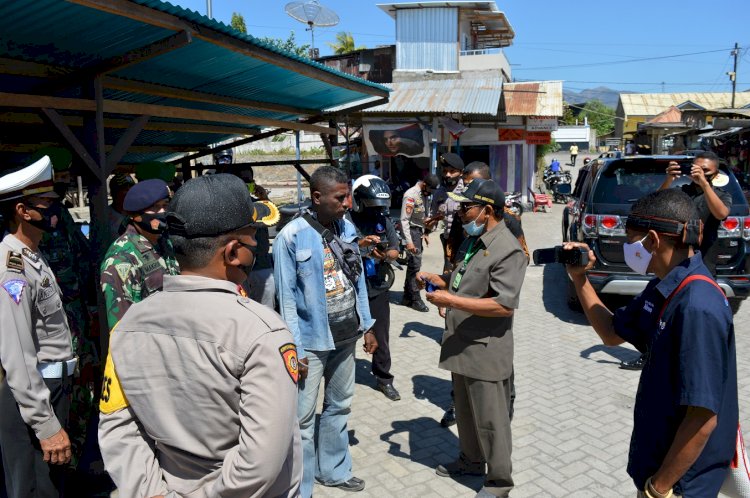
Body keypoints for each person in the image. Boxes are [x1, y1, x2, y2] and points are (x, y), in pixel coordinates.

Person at [98, 173, 301, 497]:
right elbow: (259, 464)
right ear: (234, 252)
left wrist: (152, 493)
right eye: (254, 236)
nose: (257, 246)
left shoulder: (126, 327)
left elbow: (118, 426)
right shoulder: (264, 333)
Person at [564, 188, 737, 497]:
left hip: (679, 485)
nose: (627, 247)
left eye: (630, 239)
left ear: (653, 240)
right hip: (659, 470)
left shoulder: (697, 305)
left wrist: (658, 489)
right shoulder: (665, 286)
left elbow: (702, 418)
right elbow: (612, 333)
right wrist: (580, 278)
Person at [418, 178, 527, 498]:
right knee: (465, 414)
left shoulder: (507, 249)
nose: (461, 212)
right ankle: (470, 460)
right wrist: (441, 279)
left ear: (488, 211)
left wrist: (450, 301)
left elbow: (503, 305)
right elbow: (464, 275)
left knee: (492, 420)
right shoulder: (472, 241)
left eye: (467, 207)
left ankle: (499, 484)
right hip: (461, 342)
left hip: (486, 349)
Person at [273, 166, 377, 497]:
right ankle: (301, 489)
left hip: (347, 336)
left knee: (339, 406)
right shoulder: (290, 237)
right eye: (340, 197)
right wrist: (296, 349)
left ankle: (332, 471)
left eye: (348, 195)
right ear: (317, 198)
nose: (348, 203)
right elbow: (286, 299)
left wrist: (368, 323)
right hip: (311, 343)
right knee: (302, 420)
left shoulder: (346, 227)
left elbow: (357, 278)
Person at [616, 151, 736, 372]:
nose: (698, 173)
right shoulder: (683, 192)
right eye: (695, 168)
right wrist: (669, 179)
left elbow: (721, 213)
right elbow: (654, 208)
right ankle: (650, 353)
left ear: (715, 174)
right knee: (659, 311)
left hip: (703, 261)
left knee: (691, 309)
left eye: (705, 170)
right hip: (673, 261)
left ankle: (690, 359)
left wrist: (705, 185)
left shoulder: (719, 194)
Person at [0, 156, 77, 497]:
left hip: (53, 386)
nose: (55, 209)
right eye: (46, 204)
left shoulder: (33, 254)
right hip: (34, 393)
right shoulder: (11, 269)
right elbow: (16, 352)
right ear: (23, 211)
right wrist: (44, 424)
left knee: (50, 485)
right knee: (33, 487)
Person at [34, 148, 98, 468]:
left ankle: (77, 456)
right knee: (61, 390)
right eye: (58, 177)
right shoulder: (26, 225)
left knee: (84, 386)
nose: (65, 181)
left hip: (78, 318)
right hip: (53, 326)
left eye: (65, 176)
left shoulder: (65, 213)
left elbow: (84, 259)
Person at [99, 179, 180, 338]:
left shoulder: (166, 243)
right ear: (136, 215)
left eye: (165, 205)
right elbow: (121, 326)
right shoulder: (121, 258)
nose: (162, 212)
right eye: (155, 207)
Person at [350, 175, 401, 401]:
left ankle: (383, 379)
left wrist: (387, 254)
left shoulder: (383, 219)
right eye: (371, 205)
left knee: (381, 335)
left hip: (377, 286)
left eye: (379, 205)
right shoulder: (344, 220)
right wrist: (363, 250)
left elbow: (394, 249)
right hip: (349, 288)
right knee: (345, 334)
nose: (376, 210)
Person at [232, 165, 276, 308]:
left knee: (267, 311)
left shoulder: (259, 205)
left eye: (250, 180)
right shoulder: (227, 207)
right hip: (238, 271)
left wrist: (264, 197)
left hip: (261, 268)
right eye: (244, 180)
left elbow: (274, 219)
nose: (248, 184)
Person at [399, 173, 441, 312]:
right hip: (411, 232)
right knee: (416, 266)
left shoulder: (425, 194)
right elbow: (404, 220)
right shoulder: (411, 195)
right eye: (429, 190)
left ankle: (407, 296)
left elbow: (424, 215)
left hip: (419, 232)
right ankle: (415, 299)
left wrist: (427, 232)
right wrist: (409, 242)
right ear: (424, 184)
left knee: (413, 265)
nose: (430, 193)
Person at [431, 152, 465, 273]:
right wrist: (427, 227)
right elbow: (433, 217)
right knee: (448, 272)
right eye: (445, 171)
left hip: (466, 239)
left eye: (452, 171)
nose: (448, 175)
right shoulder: (439, 193)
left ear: (461, 172)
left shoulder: (467, 190)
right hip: (448, 239)